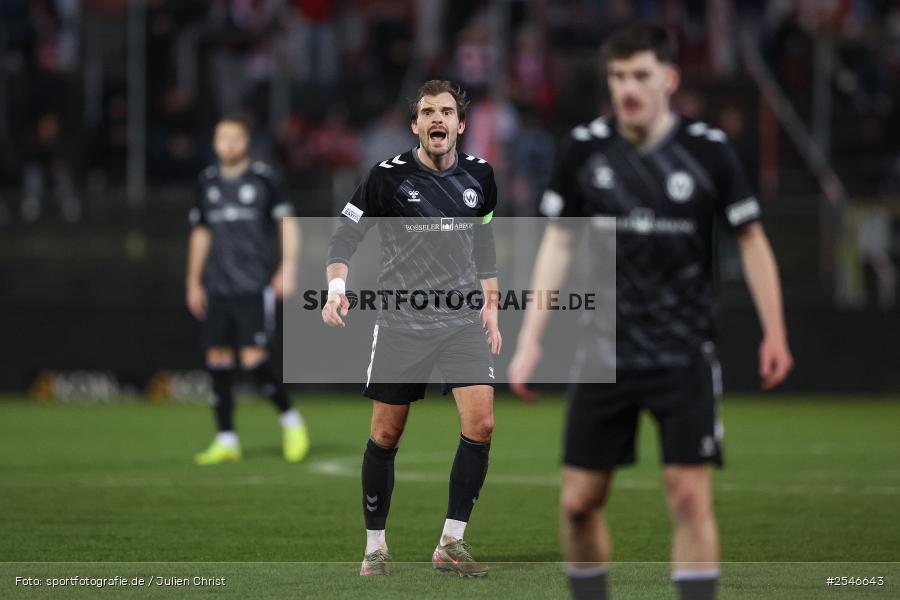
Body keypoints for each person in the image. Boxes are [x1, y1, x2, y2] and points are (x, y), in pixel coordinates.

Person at [507, 23, 794, 600]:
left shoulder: (708, 151)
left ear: (669, 78)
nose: (628, 88)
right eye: (617, 77)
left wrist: (775, 333)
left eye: (640, 75)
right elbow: (559, 244)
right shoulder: (584, 149)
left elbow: (751, 239)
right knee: (578, 503)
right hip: (602, 352)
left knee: (688, 495)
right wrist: (530, 337)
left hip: (683, 351)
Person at [322, 80, 501, 578]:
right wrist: (336, 287)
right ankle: (375, 545)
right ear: (416, 124)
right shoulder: (387, 177)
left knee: (481, 423)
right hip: (403, 320)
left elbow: (483, 239)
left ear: (461, 125)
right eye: (428, 112)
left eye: (446, 111)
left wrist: (491, 302)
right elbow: (346, 235)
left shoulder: (482, 175)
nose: (437, 119)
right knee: (386, 431)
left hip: (462, 318)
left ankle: (451, 542)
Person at [186, 115, 309, 465]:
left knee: (253, 360)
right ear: (214, 142)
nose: (228, 144)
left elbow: (288, 223)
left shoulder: (263, 180)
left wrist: (288, 266)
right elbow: (201, 232)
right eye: (222, 137)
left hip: (254, 284)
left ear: (246, 142)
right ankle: (226, 439)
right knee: (217, 359)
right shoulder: (206, 182)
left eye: (235, 137)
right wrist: (193, 280)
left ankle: (292, 421)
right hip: (218, 286)